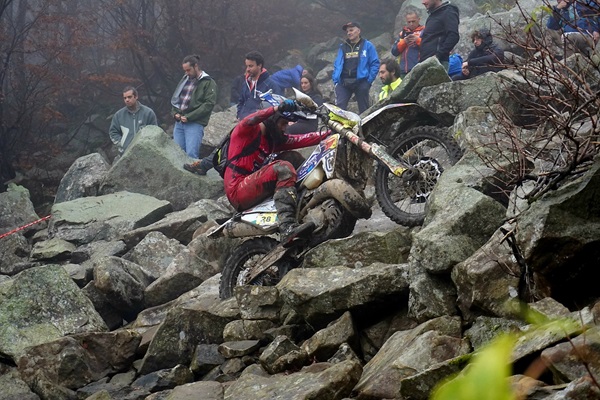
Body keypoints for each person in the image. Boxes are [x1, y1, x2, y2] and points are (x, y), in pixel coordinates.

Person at [225, 99, 330, 246]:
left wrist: (334, 131)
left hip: (252, 185)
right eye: (283, 123)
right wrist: (275, 108)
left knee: (293, 157)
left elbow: (304, 139)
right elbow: (250, 120)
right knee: (283, 168)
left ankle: (306, 206)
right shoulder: (246, 131)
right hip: (238, 189)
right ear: (272, 120)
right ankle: (287, 227)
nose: (285, 128)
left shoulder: (272, 140)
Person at [172, 55, 217, 162]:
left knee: (191, 156)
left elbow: (208, 104)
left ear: (196, 66)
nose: (187, 73)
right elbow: (176, 98)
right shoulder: (184, 80)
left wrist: (189, 117)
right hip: (179, 123)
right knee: (176, 155)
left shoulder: (208, 82)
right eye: (185, 70)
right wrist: (174, 113)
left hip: (194, 123)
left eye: (188, 70)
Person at [332, 21, 380, 114]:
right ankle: (338, 128)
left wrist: (368, 81)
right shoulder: (343, 47)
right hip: (344, 82)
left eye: (351, 30)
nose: (349, 33)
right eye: (347, 31)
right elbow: (337, 64)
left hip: (361, 82)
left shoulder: (367, 45)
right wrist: (336, 80)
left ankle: (366, 128)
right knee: (339, 109)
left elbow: (375, 63)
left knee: (364, 110)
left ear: (358, 31)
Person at [108, 86, 158, 154]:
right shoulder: (118, 115)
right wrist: (122, 144)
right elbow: (113, 132)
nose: (127, 100)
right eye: (125, 98)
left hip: (146, 152)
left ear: (136, 96)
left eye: (129, 97)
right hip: (126, 154)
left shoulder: (148, 113)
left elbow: (155, 132)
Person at [419, 0, 460, 71]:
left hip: (438, 62)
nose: (423, 2)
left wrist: (438, 55)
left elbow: (453, 36)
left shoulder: (448, 12)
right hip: (426, 61)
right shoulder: (433, 14)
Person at [237, 51, 276, 120]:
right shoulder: (246, 83)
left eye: (251, 66)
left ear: (259, 65)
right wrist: (239, 115)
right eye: (247, 66)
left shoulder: (270, 85)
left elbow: (274, 107)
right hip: (243, 123)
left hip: (258, 124)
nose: (248, 69)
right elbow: (241, 102)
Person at [391, 11, 425, 78]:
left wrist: (417, 40)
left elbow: (429, 47)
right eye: (409, 22)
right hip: (403, 71)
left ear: (419, 19)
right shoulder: (402, 34)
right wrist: (404, 42)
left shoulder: (424, 31)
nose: (411, 24)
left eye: (413, 21)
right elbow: (394, 52)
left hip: (418, 69)